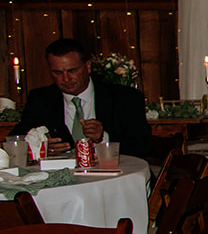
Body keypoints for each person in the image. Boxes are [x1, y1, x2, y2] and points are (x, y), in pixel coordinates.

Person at [18, 37, 153, 159]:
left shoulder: (124, 98)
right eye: (57, 72)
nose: (66, 79)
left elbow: (143, 146)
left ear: (88, 66)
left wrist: (103, 139)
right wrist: (39, 147)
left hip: (114, 178)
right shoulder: (41, 99)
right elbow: (15, 140)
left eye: (72, 71)